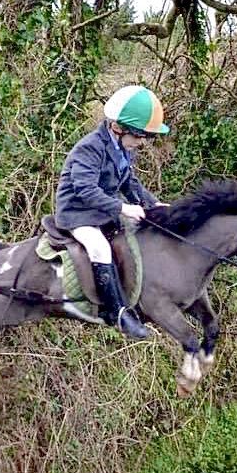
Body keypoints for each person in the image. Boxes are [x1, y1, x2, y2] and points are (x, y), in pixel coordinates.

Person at [54, 86, 171, 340]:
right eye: (139, 136)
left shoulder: (124, 150)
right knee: (100, 248)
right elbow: (85, 190)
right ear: (118, 128)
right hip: (77, 213)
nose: (142, 142)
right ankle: (117, 313)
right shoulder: (90, 148)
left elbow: (130, 183)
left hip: (101, 212)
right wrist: (123, 207)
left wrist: (153, 205)